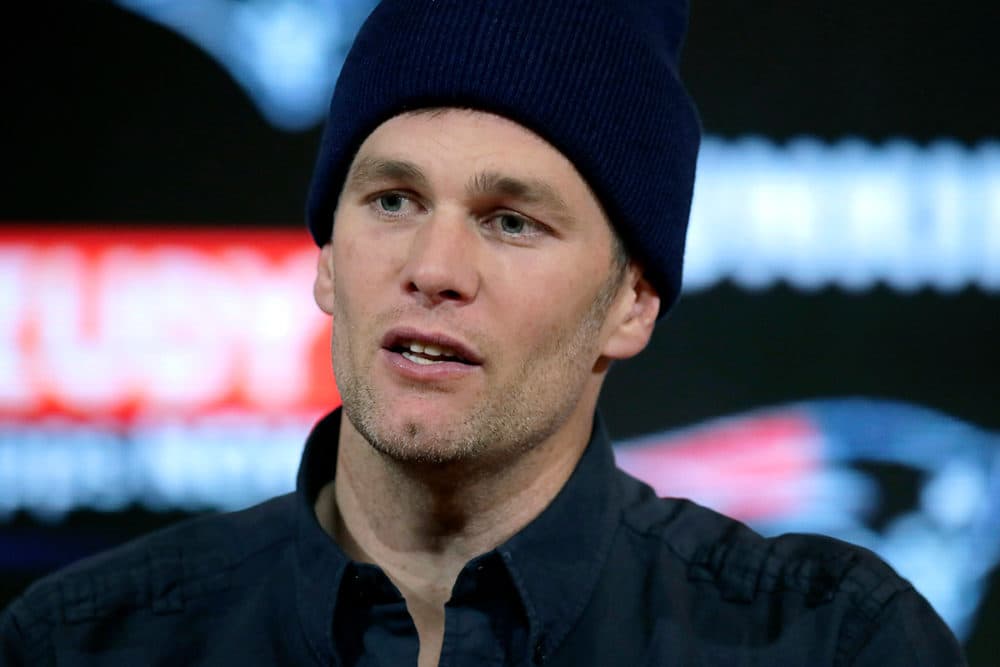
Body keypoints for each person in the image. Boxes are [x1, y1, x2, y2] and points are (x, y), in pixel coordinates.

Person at [0, 0, 966, 665]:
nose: (434, 267)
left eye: (511, 220)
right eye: (391, 199)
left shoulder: (828, 641)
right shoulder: (87, 640)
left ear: (632, 301)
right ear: (328, 259)